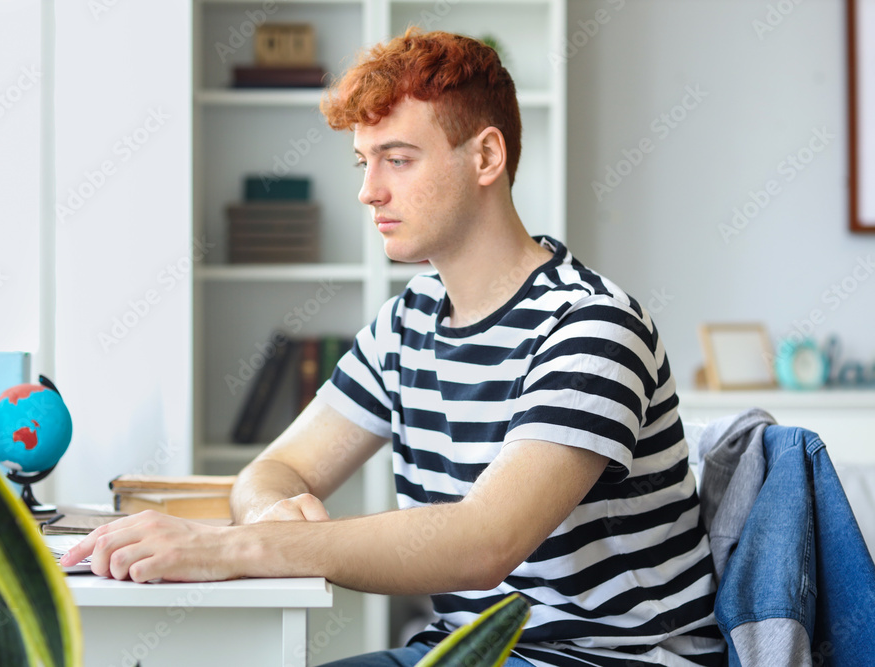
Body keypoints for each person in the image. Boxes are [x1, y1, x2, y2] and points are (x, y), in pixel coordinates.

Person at [63, 28, 725, 666]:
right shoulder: (408, 320)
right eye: (364, 160)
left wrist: (234, 547)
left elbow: (485, 541)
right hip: (464, 649)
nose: (368, 189)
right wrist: (271, 511)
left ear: (486, 157)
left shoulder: (590, 328)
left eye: (398, 160)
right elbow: (273, 471)